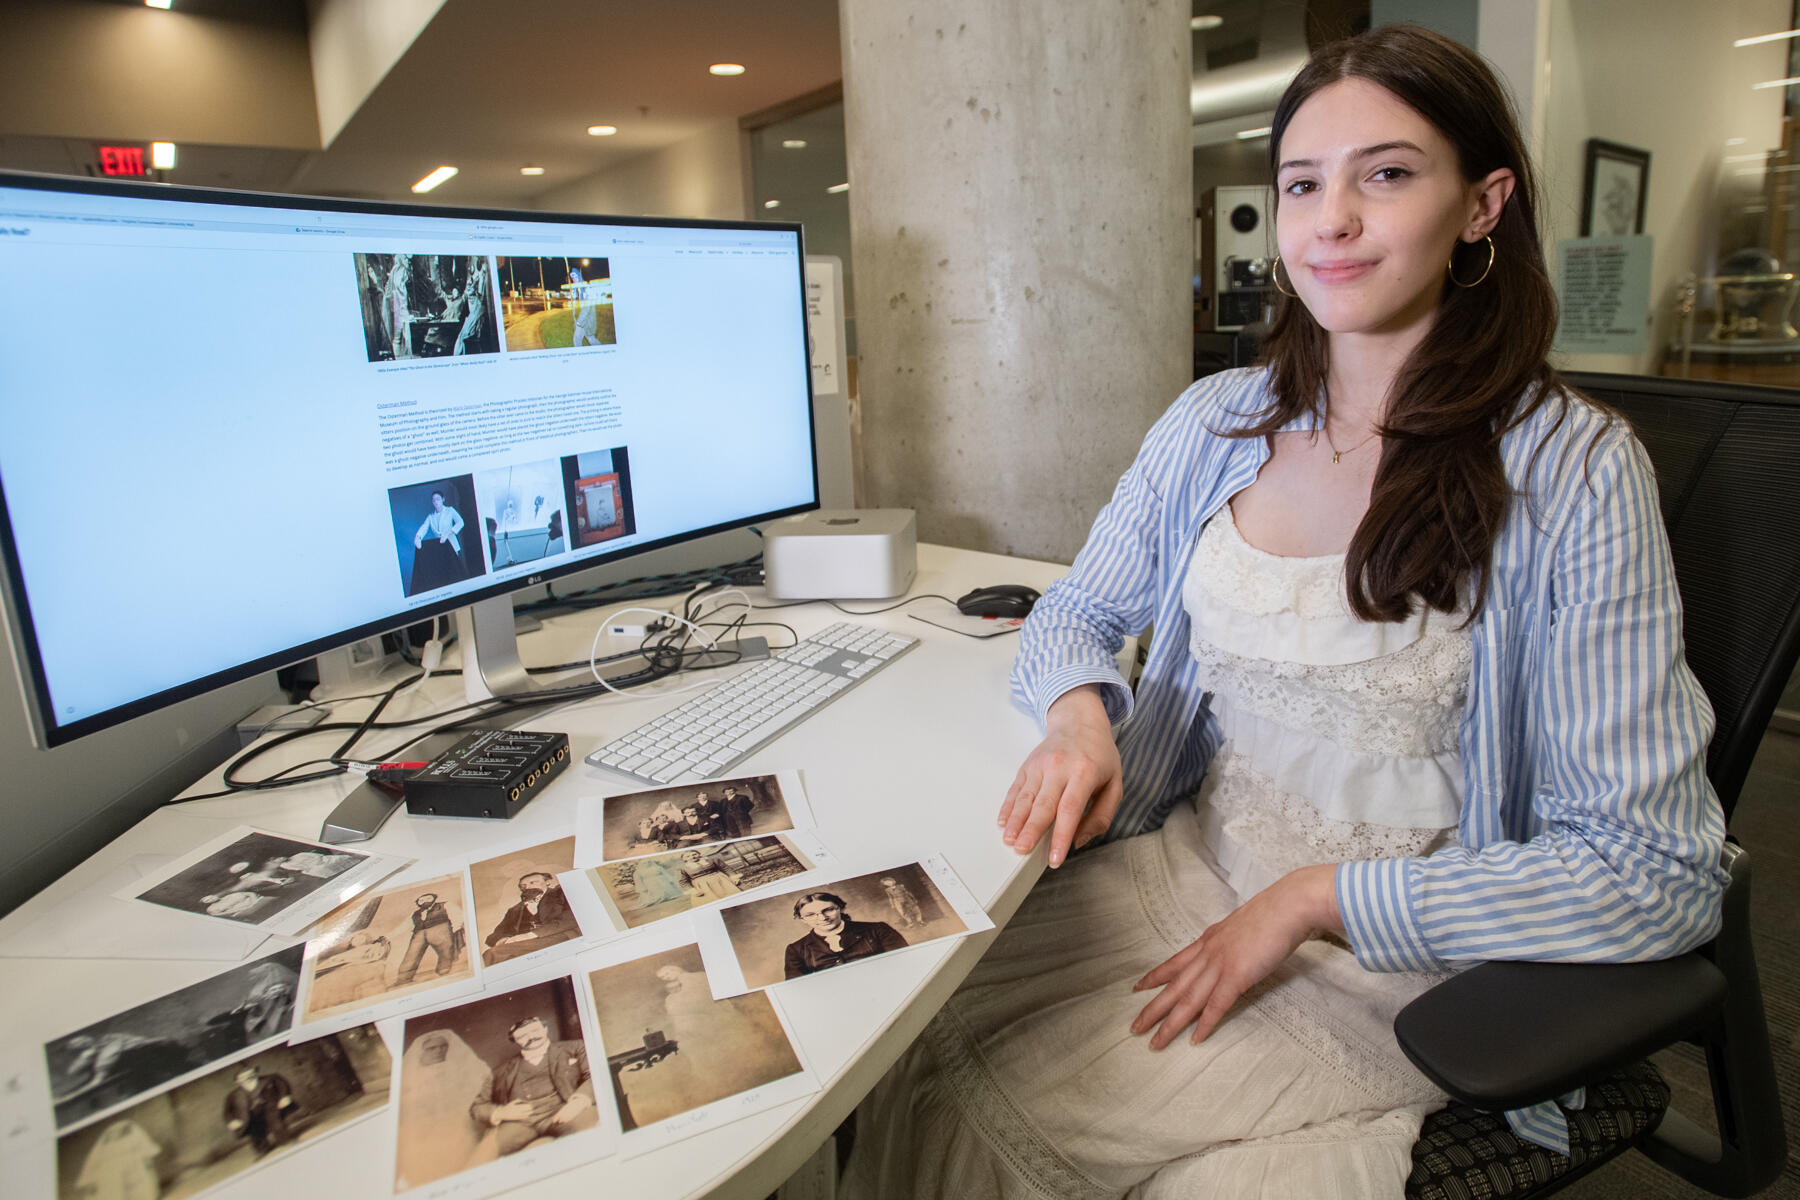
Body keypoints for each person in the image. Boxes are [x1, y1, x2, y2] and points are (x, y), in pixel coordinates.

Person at [842, 25, 1727, 1200]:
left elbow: (1655, 869)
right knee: (889, 1041)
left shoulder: (1575, 470)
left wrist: (1315, 900)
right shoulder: (1219, 417)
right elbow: (1078, 611)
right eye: (1304, 184)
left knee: (1005, 1137)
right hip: (1185, 859)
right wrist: (1077, 718)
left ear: (1482, 205)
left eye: (1389, 173)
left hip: (1400, 955)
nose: (1332, 220)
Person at [470, 1016, 597, 1155]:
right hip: (521, 1122)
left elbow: (594, 1074)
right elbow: (477, 1107)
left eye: (535, 1030)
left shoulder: (576, 1047)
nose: (531, 1037)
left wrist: (578, 1102)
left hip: (564, 1110)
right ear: (515, 1041)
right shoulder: (500, 1071)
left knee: (589, 1135)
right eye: (523, 1035)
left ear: (545, 1029)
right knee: (487, 1152)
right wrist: (501, 1112)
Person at [782, 891, 908, 979]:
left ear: (840, 909)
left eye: (828, 910)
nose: (822, 918)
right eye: (810, 915)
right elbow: (801, 988)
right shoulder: (796, 950)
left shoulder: (877, 930)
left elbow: (905, 964)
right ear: (803, 919)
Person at [484, 871, 578, 962]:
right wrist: (502, 940)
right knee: (493, 954)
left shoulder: (561, 893)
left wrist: (530, 935)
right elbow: (494, 935)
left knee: (494, 954)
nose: (527, 887)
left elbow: (571, 918)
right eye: (523, 886)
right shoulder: (514, 910)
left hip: (561, 937)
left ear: (547, 882)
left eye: (532, 882)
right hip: (528, 945)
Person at [72, 1118, 162, 1200]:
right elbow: (92, 1165)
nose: (115, 1134)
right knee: (112, 1178)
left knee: (139, 1182)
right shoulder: (105, 1151)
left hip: (135, 1172)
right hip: (114, 1175)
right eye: (112, 1134)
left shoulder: (133, 1138)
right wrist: (91, 1183)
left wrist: (147, 1162)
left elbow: (146, 1150)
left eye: (119, 1133)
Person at [222, 1063, 296, 1157]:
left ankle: (284, 1141)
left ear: (255, 1072)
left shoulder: (270, 1079)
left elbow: (282, 1085)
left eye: (250, 1073)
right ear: (237, 1081)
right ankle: (263, 1149)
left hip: (271, 1108)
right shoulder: (233, 1095)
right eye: (243, 1076)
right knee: (255, 1131)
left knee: (276, 1123)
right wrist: (231, 1121)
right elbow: (227, 1111)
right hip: (250, 1116)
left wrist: (284, 1096)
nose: (248, 1077)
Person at [394, 892, 459, 985]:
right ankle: (403, 979)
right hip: (419, 933)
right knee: (412, 954)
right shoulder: (415, 914)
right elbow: (403, 926)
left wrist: (455, 928)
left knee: (445, 951)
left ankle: (444, 972)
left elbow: (457, 915)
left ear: (434, 898)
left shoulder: (445, 905)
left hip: (440, 929)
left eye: (428, 898)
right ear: (418, 903)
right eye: (421, 900)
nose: (425, 901)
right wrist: (388, 936)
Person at [569, 266, 602, 347]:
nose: (574, 279)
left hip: (585, 320)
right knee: (591, 339)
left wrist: (579, 321)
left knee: (577, 339)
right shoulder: (577, 289)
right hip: (581, 319)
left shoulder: (586, 288)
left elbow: (587, 307)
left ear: (579, 276)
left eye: (576, 277)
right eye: (572, 278)